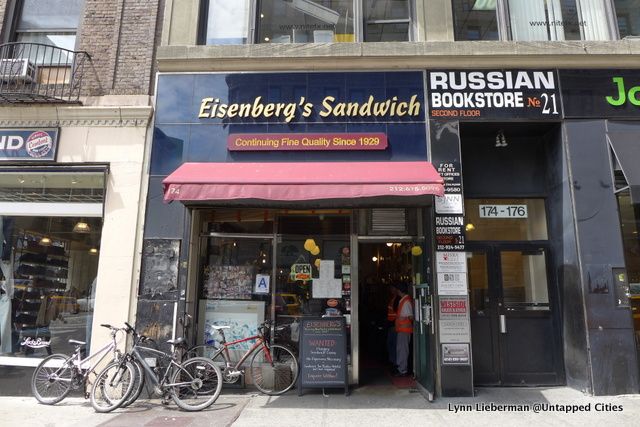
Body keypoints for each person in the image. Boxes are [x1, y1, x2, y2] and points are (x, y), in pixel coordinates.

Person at [394, 282, 414, 377]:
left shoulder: (405, 301)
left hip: (404, 330)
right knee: (401, 349)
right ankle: (401, 368)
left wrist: (404, 319)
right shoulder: (403, 300)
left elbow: (410, 317)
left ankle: (403, 370)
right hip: (402, 330)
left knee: (402, 350)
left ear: (399, 290)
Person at [386, 284, 399, 368]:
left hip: (395, 325)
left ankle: (395, 362)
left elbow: (398, 313)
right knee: (391, 344)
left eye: (392, 288)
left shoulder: (397, 299)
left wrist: (395, 324)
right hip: (392, 324)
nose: (391, 289)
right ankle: (393, 362)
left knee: (393, 344)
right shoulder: (393, 298)